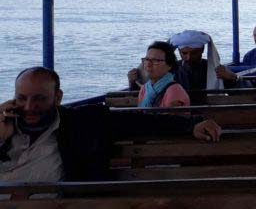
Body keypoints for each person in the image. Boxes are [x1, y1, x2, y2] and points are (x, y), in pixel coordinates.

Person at [1, 67, 221, 182]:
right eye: (22, 98)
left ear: (58, 97)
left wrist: (192, 124)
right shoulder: (5, 126)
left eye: (39, 99)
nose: (29, 106)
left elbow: (142, 120)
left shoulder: (83, 123)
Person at [136, 41, 190, 108]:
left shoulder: (174, 91)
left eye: (155, 60)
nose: (148, 64)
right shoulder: (145, 88)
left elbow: (167, 118)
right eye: (147, 59)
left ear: (169, 65)